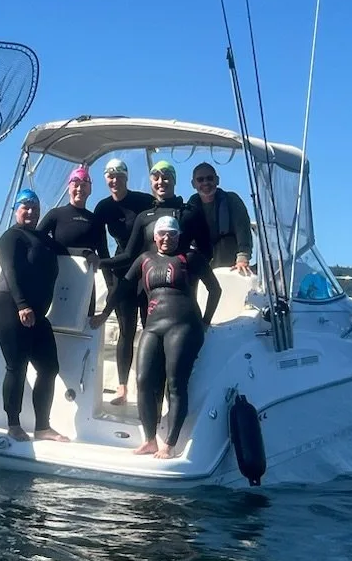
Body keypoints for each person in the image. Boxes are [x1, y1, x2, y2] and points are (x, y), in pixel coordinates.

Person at [102, 215, 215, 458]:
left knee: (175, 383)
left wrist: (205, 321)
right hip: (153, 326)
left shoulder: (190, 258)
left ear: (178, 236)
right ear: (154, 237)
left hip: (184, 326)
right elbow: (122, 287)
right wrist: (103, 314)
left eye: (172, 234)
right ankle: (150, 439)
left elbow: (214, 289)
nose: (166, 238)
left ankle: (170, 444)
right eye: (162, 234)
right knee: (143, 381)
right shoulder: (145, 259)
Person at [102, 159, 189, 403]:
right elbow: (130, 254)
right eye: (156, 178)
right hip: (135, 276)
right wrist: (101, 263)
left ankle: (158, 392)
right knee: (126, 331)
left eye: (165, 177)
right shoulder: (144, 213)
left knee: (156, 335)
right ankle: (122, 388)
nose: (160, 182)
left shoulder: (181, 210)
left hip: (162, 284)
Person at [0, 188, 67, 443]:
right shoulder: (11, 237)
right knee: (17, 364)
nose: (31, 212)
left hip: (36, 312)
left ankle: (43, 427)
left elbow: (66, 249)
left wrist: (89, 255)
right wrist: (22, 305)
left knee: (49, 367)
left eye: (35, 207)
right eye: (25, 207)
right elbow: (10, 270)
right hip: (10, 304)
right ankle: (13, 424)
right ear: (16, 210)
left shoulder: (43, 240)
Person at [180, 161, 253, 274]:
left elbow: (243, 230)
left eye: (210, 178)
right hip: (203, 268)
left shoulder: (232, 200)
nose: (205, 182)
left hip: (231, 267)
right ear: (193, 184)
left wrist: (243, 258)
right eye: (200, 179)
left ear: (217, 180)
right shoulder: (189, 208)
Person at [36, 164, 106, 257]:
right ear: (69, 188)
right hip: (60, 270)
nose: (80, 189)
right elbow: (36, 240)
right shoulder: (55, 214)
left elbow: (104, 254)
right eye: (76, 185)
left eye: (84, 185)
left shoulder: (96, 220)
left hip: (87, 271)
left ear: (90, 190)